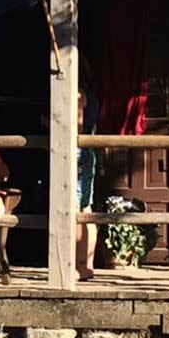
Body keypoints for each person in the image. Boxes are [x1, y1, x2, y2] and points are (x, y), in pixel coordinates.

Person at [76, 88, 98, 281]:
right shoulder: (90, 94)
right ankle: (87, 265)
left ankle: (79, 264)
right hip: (87, 152)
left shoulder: (78, 92)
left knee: (76, 210)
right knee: (85, 207)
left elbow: (78, 125)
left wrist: (51, 123)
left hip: (77, 153)